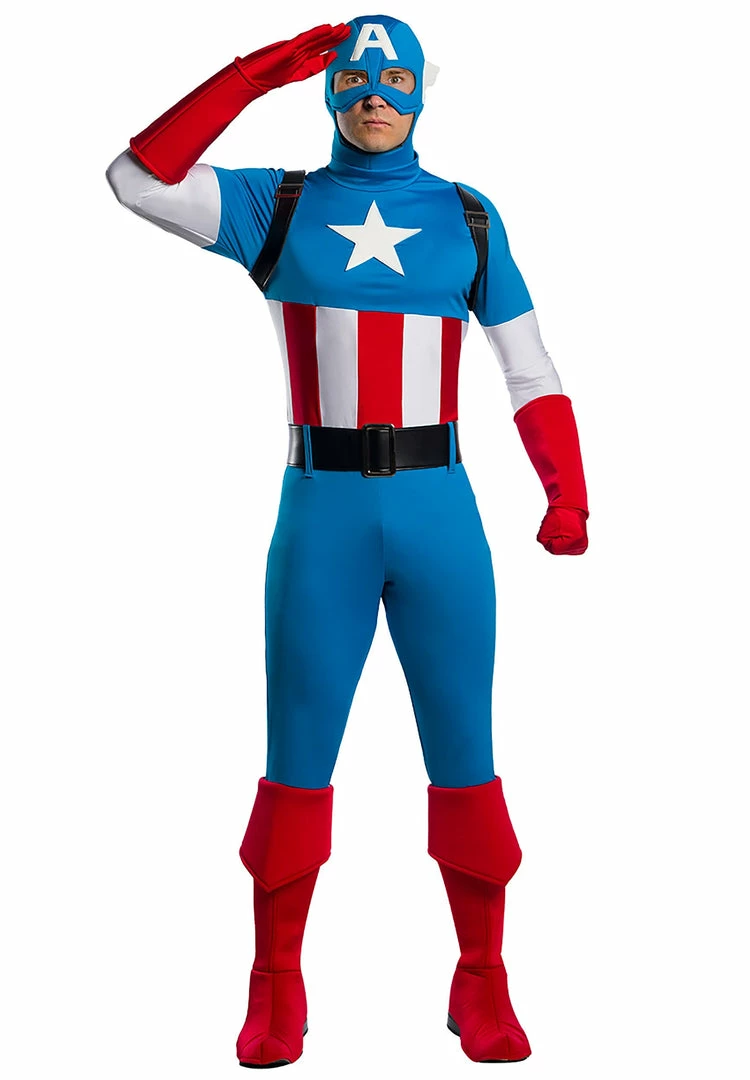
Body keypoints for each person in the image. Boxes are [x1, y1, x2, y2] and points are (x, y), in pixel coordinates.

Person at [106, 13, 589, 1068]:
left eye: (396, 80)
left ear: (421, 90)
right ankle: (275, 981)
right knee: (296, 763)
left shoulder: (467, 214)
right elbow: (136, 179)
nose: (376, 94)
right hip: (320, 512)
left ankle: (483, 976)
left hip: (439, 513)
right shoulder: (274, 207)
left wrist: (568, 493)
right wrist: (249, 76)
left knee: (467, 758)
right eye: (358, 79)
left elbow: (529, 366)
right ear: (330, 91)